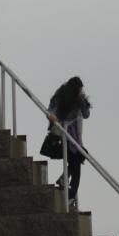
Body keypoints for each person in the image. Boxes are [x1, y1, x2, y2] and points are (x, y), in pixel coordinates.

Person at [47, 75, 92, 209]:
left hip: (75, 138)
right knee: (77, 166)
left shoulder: (78, 100)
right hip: (64, 135)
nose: (81, 92)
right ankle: (71, 196)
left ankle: (64, 181)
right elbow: (51, 112)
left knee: (78, 160)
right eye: (79, 89)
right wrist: (52, 117)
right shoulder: (62, 98)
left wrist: (83, 101)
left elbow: (86, 115)